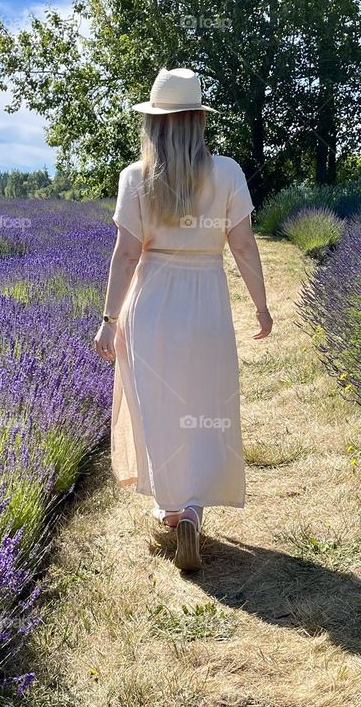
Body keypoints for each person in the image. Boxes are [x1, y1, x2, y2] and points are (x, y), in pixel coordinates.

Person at [93, 67, 273, 572]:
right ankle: (193, 508)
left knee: (158, 406)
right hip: (206, 304)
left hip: (150, 305)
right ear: (198, 120)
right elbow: (243, 246)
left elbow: (126, 255)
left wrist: (109, 318)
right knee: (203, 403)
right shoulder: (229, 173)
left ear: (154, 124)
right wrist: (261, 306)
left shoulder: (135, 178)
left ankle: (171, 509)